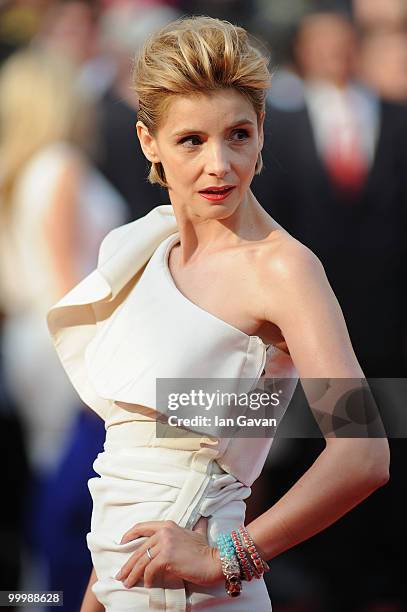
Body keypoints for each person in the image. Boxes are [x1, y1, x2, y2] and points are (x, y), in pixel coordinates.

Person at [47, 16, 390, 611]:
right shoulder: (144, 249)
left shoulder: (283, 270)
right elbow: (130, 473)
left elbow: (362, 453)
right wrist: (96, 597)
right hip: (120, 585)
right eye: (190, 140)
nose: (220, 165)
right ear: (148, 142)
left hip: (201, 595)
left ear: (261, 132)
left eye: (238, 135)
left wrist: (225, 557)